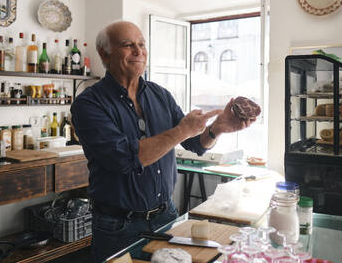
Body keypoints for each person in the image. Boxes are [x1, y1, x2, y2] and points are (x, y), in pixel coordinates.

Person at [71, 21, 255, 262]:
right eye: (128, 45)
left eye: (142, 44)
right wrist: (181, 131)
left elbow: (195, 144)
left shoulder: (160, 94)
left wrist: (218, 128)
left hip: (166, 216)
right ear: (105, 53)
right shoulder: (88, 104)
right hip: (117, 224)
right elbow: (125, 159)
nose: (139, 51)